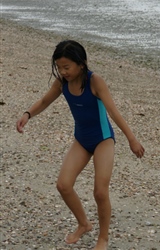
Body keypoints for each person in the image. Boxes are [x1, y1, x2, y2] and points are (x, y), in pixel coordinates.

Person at [16, 40, 145, 249]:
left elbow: (113, 112)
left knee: (100, 192)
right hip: (82, 139)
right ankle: (84, 223)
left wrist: (132, 139)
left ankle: (103, 238)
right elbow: (44, 101)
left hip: (103, 139)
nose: (63, 71)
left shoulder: (95, 82)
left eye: (66, 67)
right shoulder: (61, 83)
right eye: (59, 67)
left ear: (81, 64)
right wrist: (27, 114)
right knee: (63, 185)